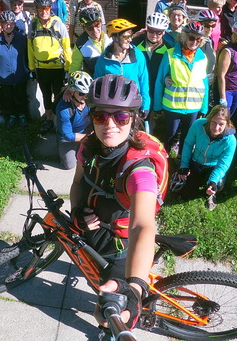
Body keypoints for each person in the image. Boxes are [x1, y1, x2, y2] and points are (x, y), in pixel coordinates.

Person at [70, 74, 168, 332]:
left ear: (134, 119)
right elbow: (79, 183)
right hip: (96, 231)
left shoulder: (139, 170)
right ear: (91, 118)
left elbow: (142, 226)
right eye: (100, 116)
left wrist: (134, 288)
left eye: (121, 116)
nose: (110, 124)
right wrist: (77, 210)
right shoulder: (89, 147)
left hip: (120, 244)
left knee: (109, 313)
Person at [154, 21, 209, 154]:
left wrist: (204, 107)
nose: (194, 42)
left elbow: (204, 83)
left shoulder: (202, 57)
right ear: (184, 36)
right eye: (191, 38)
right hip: (172, 105)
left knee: (188, 137)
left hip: (193, 106)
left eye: (198, 39)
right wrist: (156, 106)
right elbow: (160, 80)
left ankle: (181, 163)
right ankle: (164, 160)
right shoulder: (170, 54)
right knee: (170, 134)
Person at [173, 105, 237, 210]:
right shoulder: (198, 125)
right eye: (213, 122)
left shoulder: (230, 140)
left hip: (213, 166)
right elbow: (188, 144)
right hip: (196, 162)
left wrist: (213, 180)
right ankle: (195, 180)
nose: (216, 128)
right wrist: (184, 166)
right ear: (209, 119)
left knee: (218, 183)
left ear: (227, 123)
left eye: (221, 124)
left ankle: (211, 193)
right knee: (186, 195)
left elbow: (224, 164)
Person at [27, 0, 72, 134]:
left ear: (50, 8)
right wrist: (32, 68)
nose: (44, 12)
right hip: (41, 68)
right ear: (36, 9)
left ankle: (59, 120)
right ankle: (49, 119)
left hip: (58, 67)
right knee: (46, 94)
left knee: (59, 94)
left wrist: (68, 69)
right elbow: (30, 48)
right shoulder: (33, 25)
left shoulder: (58, 24)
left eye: (46, 8)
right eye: (40, 9)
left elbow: (67, 47)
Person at [93, 19, 150, 115]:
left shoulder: (138, 55)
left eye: (131, 36)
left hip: (132, 105)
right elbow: (96, 84)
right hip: (111, 108)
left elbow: (144, 82)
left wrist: (146, 105)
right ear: (115, 38)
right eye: (126, 37)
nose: (130, 39)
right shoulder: (103, 60)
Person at [132, 12, 174, 132]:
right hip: (139, 88)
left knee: (152, 124)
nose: (154, 35)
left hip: (157, 89)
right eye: (151, 30)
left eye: (158, 32)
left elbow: (174, 68)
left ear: (164, 32)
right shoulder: (135, 44)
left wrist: (168, 77)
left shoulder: (169, 48)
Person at [0, 11, 30, 127]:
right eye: (6, 23)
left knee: (21, 95)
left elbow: (27, 55)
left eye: (11, 23)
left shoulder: (21, 39)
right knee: (7, 97)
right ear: (1, 25)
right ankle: (11, 115)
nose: (9, 26)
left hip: (20, 73)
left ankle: (22, 115)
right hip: (3, 75)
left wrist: (27, 69)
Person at [56, 71, 92, 169]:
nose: (85, 96)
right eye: (81, 93)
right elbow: (68, 135)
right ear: (72, 92)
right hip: (69, 137)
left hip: (85, 131)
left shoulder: (89, 100)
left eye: (87, 93)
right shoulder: (63, 107)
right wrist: (90, 137)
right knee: (69, 165)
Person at [70, 7, 112, 76]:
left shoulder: (111, 36)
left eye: (97, 25)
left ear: (101, 22)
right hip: (94, 81)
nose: (95, 31)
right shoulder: (80, 44)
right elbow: (75, 66)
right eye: (90, 28)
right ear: (83, 28)